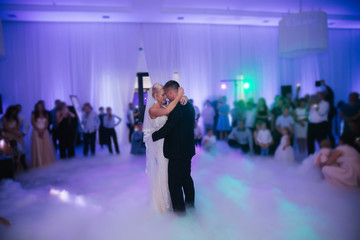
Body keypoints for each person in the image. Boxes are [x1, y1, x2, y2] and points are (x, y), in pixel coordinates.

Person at [152, 80, 195, 213]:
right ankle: (190, 206)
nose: (165, 97)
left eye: (166, 94)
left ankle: (179, 212)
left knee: (174, 183)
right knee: (186, 178)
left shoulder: (176, 107)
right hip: (187, 150)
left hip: (177, 152)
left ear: (171, 92)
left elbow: (169, 128)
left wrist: (152, 137)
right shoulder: (188, 105)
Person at [143, 82, 187, 213]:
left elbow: (172, 107)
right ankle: (162, 204)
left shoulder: (163, 105)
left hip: (167, 144)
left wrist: (184, 98)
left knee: (168, 172)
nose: (165, 97)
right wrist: (180, 95)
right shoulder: (153, 109)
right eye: (162, 95)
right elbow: (168, 111)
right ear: (155, 96)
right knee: (163, 171)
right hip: (160, 145)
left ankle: (168, 200)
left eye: (165, 94)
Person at [31, 101, 56, 167]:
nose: (40, 108)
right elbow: (33, 122)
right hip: (36, 131)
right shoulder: (34, 114)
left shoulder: (46, 114)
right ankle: (39, 161)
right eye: (38, 107)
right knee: (38, 146)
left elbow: (47, 122)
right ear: (36, 107)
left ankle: (46, 160)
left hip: (44, 131)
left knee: (46, 146)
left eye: (41, 107)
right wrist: (39, 130)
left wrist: (43, 129)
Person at [321, 80, 336, 147]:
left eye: (325, 91)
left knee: (329, 131)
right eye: (324, 92)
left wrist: (325, 85)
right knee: (324, 131)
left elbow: (331, 91)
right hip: (323, 117)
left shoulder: (330, 97)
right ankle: (325, 145)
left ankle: (332, 144)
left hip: (329, 115)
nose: (324, 92)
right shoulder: (322, 99)